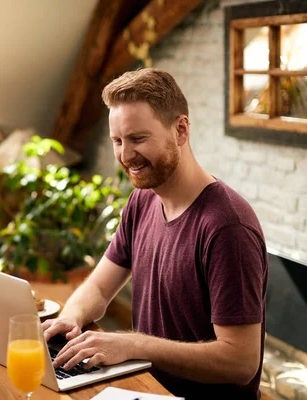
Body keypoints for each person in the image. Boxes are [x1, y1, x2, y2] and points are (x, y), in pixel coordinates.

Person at [43, 69, 268, 399]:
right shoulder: (143, 199)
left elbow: (241, 361)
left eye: (137, 139)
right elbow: (101, 286)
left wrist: (133, 344)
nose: (125, 155)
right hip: (143, 389)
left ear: (181, 130)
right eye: (118, 141)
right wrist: (71, 317)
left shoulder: (227, 228)